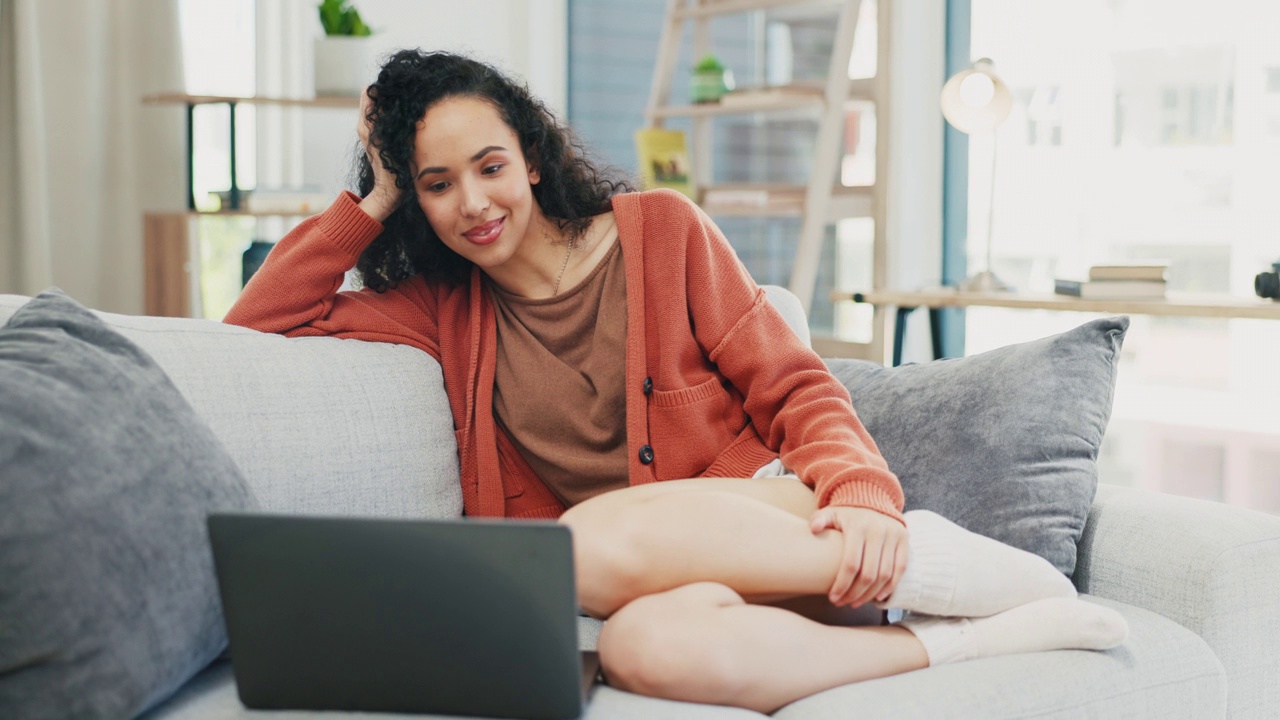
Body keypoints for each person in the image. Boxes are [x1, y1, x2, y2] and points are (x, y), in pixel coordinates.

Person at [225, 49, 1127, 713]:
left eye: (490, 167)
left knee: (580, 546)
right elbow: (257, 326)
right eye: (435, 183)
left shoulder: (661, 231)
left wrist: (860, 496)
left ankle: (940, 565)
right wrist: (371, 198)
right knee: (643, 650)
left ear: (531, 158)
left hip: (784, 525)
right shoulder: (438, 307)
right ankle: (963, 640)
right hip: (657, 586)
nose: (474, 203)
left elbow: (794, 384)